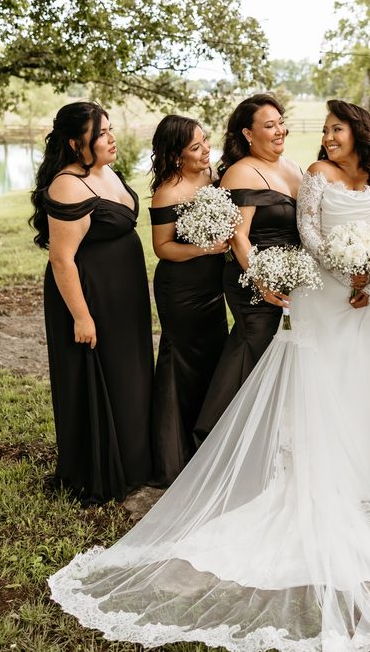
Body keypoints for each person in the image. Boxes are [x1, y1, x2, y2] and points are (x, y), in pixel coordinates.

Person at [48, 99, 370, 651]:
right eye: (271, 125)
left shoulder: (346, 173)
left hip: (362, 296)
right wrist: (293, 272)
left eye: (328, 127)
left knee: (353, 389)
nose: (295, 132)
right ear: (246, 133)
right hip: (298, 287)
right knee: (283, 372)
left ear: (358, 133)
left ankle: (349, 477)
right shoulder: (282, 173)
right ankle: (234, 458)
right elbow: (292, 232)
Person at [30, 101, 153, 505]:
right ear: (74, 142)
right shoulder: (68, 184)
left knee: (129, 374)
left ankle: (135, 462)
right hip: (90, 297)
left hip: (123, 296)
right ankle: (98, 470)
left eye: (110, 129)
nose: (111, 138)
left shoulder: (104, 171)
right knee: (101, 375)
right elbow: (61, 259)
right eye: (101, 134)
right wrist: (82, 317)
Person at [192, 94, 302, 445]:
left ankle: (271, 438)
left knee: (281, 357)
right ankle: (222, 441)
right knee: (253, 351)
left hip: (290, 279)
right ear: (248, 134)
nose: (279, 130)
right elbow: (239, 236)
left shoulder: (293, 168)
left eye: (280, 122)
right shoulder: (242, 172)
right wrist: (262, 281)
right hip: (253, 280)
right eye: (269, 126)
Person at [146, 115, 228, 486]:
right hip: (181, 289)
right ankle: (172, 458)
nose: (206, 148)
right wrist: (203, 248)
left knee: (214, 359)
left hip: (213, 289)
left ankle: (206, 446)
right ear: (176, 156)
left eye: (205, 140)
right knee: (181, 363)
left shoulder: (215, 177)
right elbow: (162, 247)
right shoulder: (168, 191)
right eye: (196, 147)